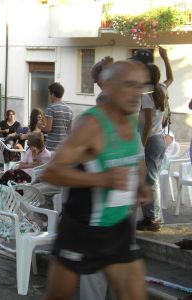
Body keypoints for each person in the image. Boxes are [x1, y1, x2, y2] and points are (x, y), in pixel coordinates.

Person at [42, 61, 151, 300]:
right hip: (82, 229)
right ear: (109, 87)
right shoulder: (91, 124)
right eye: (129, 85)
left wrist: (141, 186)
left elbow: (132, 161)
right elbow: (51, 172)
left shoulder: (132, 121)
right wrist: (102, 179)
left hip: (118, 227)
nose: (136, 93)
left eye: (141, 86)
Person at [137, 47, 173, 231]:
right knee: (151, 178)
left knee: (150, 179)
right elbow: (171, 78)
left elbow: (148, 122)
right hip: (158, 138)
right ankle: (151, 217)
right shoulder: (161, 88)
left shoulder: (147, 93)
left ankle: (154, 219)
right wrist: (165, 58)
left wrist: (141, 144)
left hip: (151, 139)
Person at [44, 82, 73, 151]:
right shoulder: (69, 109)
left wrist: (40, 126)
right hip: (63, 147)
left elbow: (48, 129)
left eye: (50, 94)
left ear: (53, 94)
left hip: (51, 147)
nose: (49, 96)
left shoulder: (51, 108)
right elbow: (70, 131)